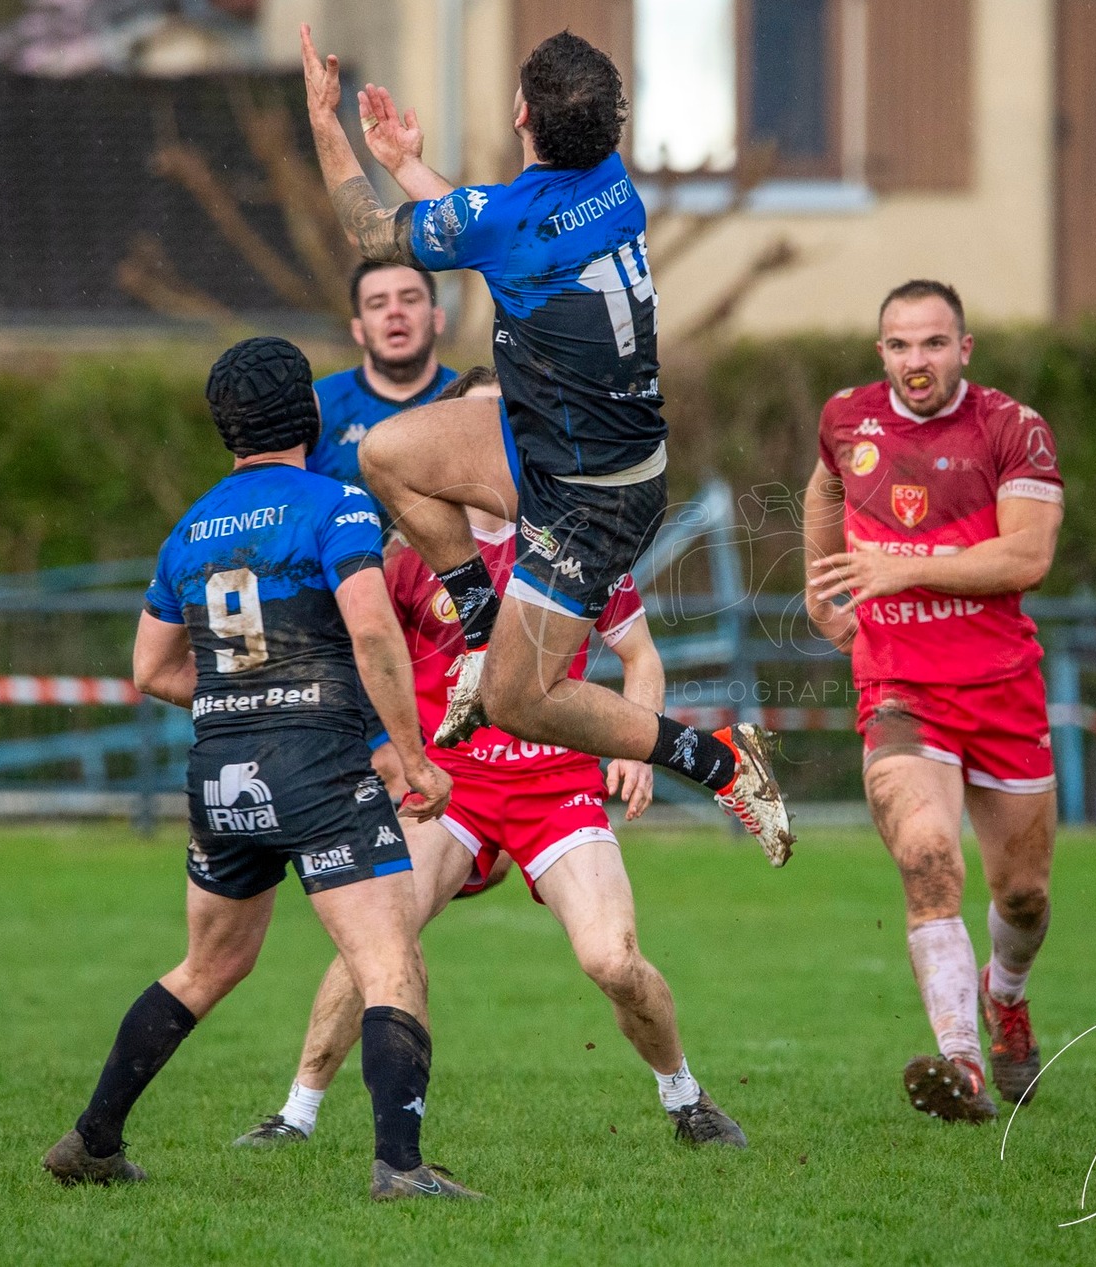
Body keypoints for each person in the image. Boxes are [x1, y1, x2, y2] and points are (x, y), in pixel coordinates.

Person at [296, 23, 792, 866]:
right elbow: (499, 230)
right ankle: (482, 629)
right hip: (557, 446)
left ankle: (719, 761)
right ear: (608, 131)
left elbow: (376, 234)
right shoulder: (611, 184)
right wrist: (410, 164)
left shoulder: (510, 217)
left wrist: (327, 123)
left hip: (595, 497)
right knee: (388, 454)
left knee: (521, 702)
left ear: (520, 113)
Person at [239, 367, 749, 1151]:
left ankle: (684, 1096)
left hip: (557, 784)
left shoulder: (573, 546)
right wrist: (391, 752)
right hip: (456, 784)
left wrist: (641, 746)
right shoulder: (409, 554)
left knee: (612, 960)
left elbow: (640, 656)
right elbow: (375, 663)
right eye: (465, 428)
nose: (481, 447)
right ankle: (295, 1113)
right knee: (381, 934)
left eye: (498, 428)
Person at [42, 336, 481, 1202]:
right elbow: (370, 629)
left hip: (220, 772)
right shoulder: (336, 505)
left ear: (225, 430)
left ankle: (93, 1139)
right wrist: (410, 753)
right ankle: (400, 1166)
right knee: (390, 960)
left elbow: (153, 669)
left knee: (208, 965)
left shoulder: (190, 529)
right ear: (313, 415)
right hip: (316, 765)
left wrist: (242, 704)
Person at [803, 280, 1065, 1124]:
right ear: (881, 351)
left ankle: (1007, 996)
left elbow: (1025, 557)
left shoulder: (1011, 427)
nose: (916, 362)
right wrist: (822, 592)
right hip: (899, 686)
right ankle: (961, 1063)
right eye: (899, 345)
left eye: (933, 344)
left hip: (1000, 686)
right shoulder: (847, 416)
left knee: (1022, 895)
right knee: (926, 855)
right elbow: (823, 489)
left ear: (965, 348)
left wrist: (901, 567)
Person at [306, 261, 458, 488]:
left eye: (410, 299)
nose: (395, 312)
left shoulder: (471, 401)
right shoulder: (318, 405)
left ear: (437, 319)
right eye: (378, 304)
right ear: (358, 331)